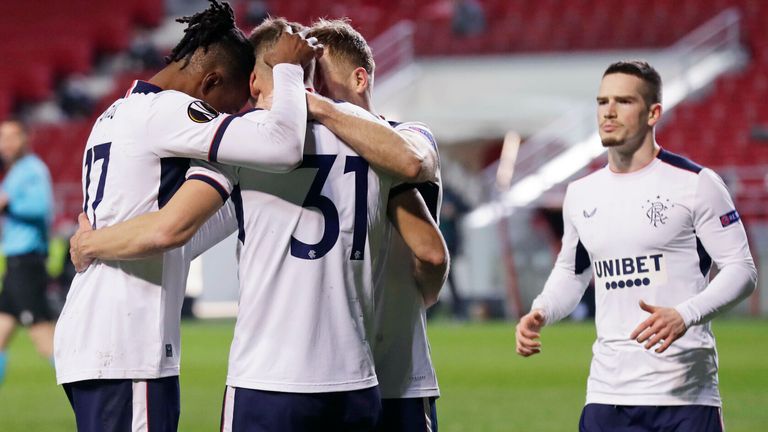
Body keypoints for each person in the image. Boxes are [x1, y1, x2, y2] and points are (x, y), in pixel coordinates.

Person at [69, 17, 447, 432]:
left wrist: (92, 242)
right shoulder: (386, 147)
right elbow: (429, 245)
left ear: (257, 81)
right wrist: (422, 298)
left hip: (265, 378)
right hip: (357, 377)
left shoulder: (247, 142)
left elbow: (175, 229)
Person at [53, 1, 319, 430]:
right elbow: (282, 145)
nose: (228, 118)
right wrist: (287, 74)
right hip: (127, 345)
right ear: (210, 80)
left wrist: (241, 184)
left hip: (100, 338)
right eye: (228, 106)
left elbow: (179, 232)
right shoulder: (170, 111)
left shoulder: (114, 114)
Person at [515, 60, 758, 431]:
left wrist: (685, 313)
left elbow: (742, 270)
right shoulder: (581, 193)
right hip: (606, 395)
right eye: (602, 101)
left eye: (624, 101)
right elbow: (572, 271)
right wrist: (542, 310)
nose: (608, 112)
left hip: (684, 396)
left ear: (653, 113)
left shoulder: (697, 184)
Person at [308, 19, 447, 431]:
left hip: (398, 373)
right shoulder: (308, 149)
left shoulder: (410, 134)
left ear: (359, 77)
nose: (313, 94)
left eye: (321, 82)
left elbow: (415, 159)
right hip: (331, 372)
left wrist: (321, 108)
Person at [0, 119, 54, 386]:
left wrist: (8, 205)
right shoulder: (15, 171)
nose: (6, 144)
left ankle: (85, 393)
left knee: (42, 334)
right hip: (14, 263)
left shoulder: (32, 169)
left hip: (27, 261)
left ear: (25, 138)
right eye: (2, 138)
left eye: (12, 137)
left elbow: (41, 208)